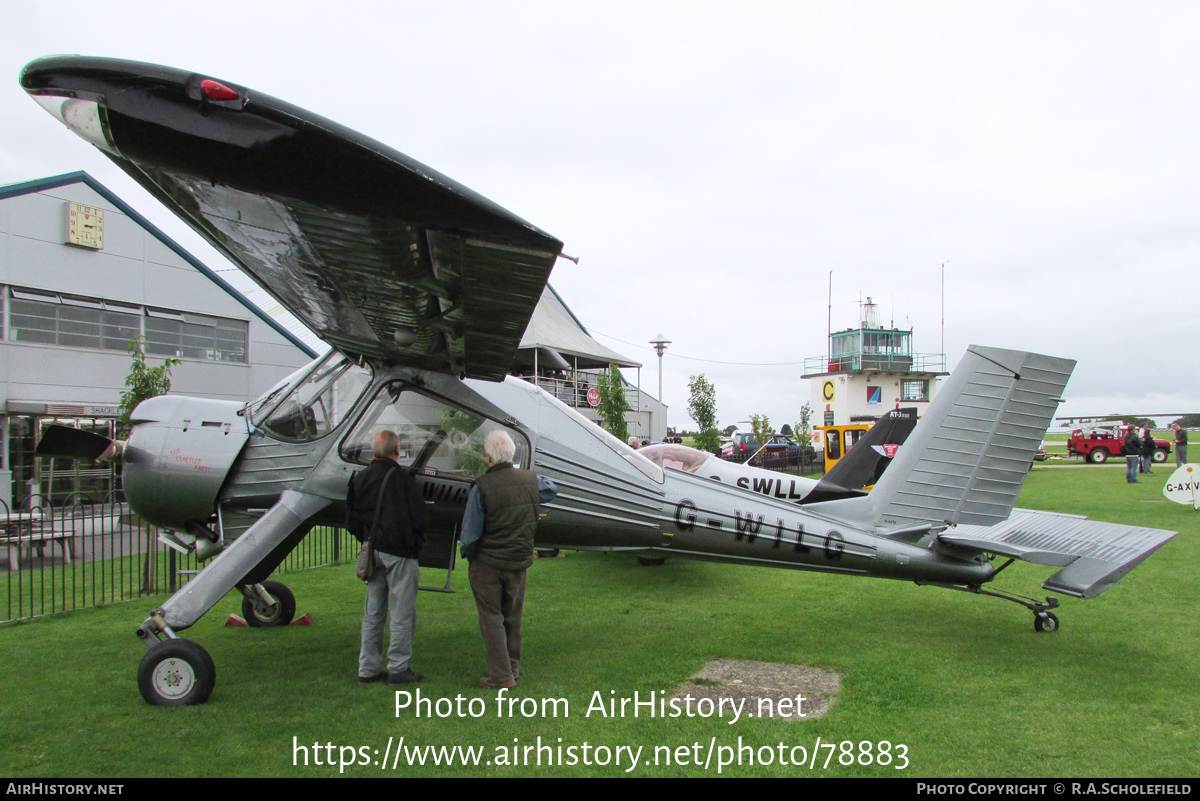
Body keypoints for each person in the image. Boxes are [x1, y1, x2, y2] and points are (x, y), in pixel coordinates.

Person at [460, 430, 558, 689]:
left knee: (491, 618)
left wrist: (469, 556)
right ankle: (512, 666)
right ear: (511, 454)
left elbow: (469, 535)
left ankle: (501, 676)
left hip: (488, 563)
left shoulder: (481, 487)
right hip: (518, 562)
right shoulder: (531, 481)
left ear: (488, 456)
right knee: (512, 616)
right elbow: (552, 489)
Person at [346, 430, 428, 684]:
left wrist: (367, 538)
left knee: (373, 612)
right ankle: (398, 667)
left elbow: (351, 519)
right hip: (401, 551)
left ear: (374, 451)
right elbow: (420, 518)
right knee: (402, 613)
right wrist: (415, 542)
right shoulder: (403, 478)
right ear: (396, 451)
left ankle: (367, 668)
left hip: (373, 550)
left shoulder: (359, 478)